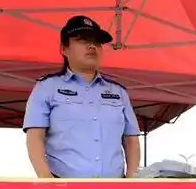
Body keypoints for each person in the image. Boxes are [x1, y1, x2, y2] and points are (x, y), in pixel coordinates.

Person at [23, 15, 141, 179]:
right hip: (64, 187)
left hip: (115, 187)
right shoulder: (47, 87)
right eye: (83, 40)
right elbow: (35, 137)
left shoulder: (119, 92)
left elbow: (131, 140)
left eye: (97, 42)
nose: (92, 46)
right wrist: (46, 180)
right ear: (64, 49)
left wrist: (132, 180)